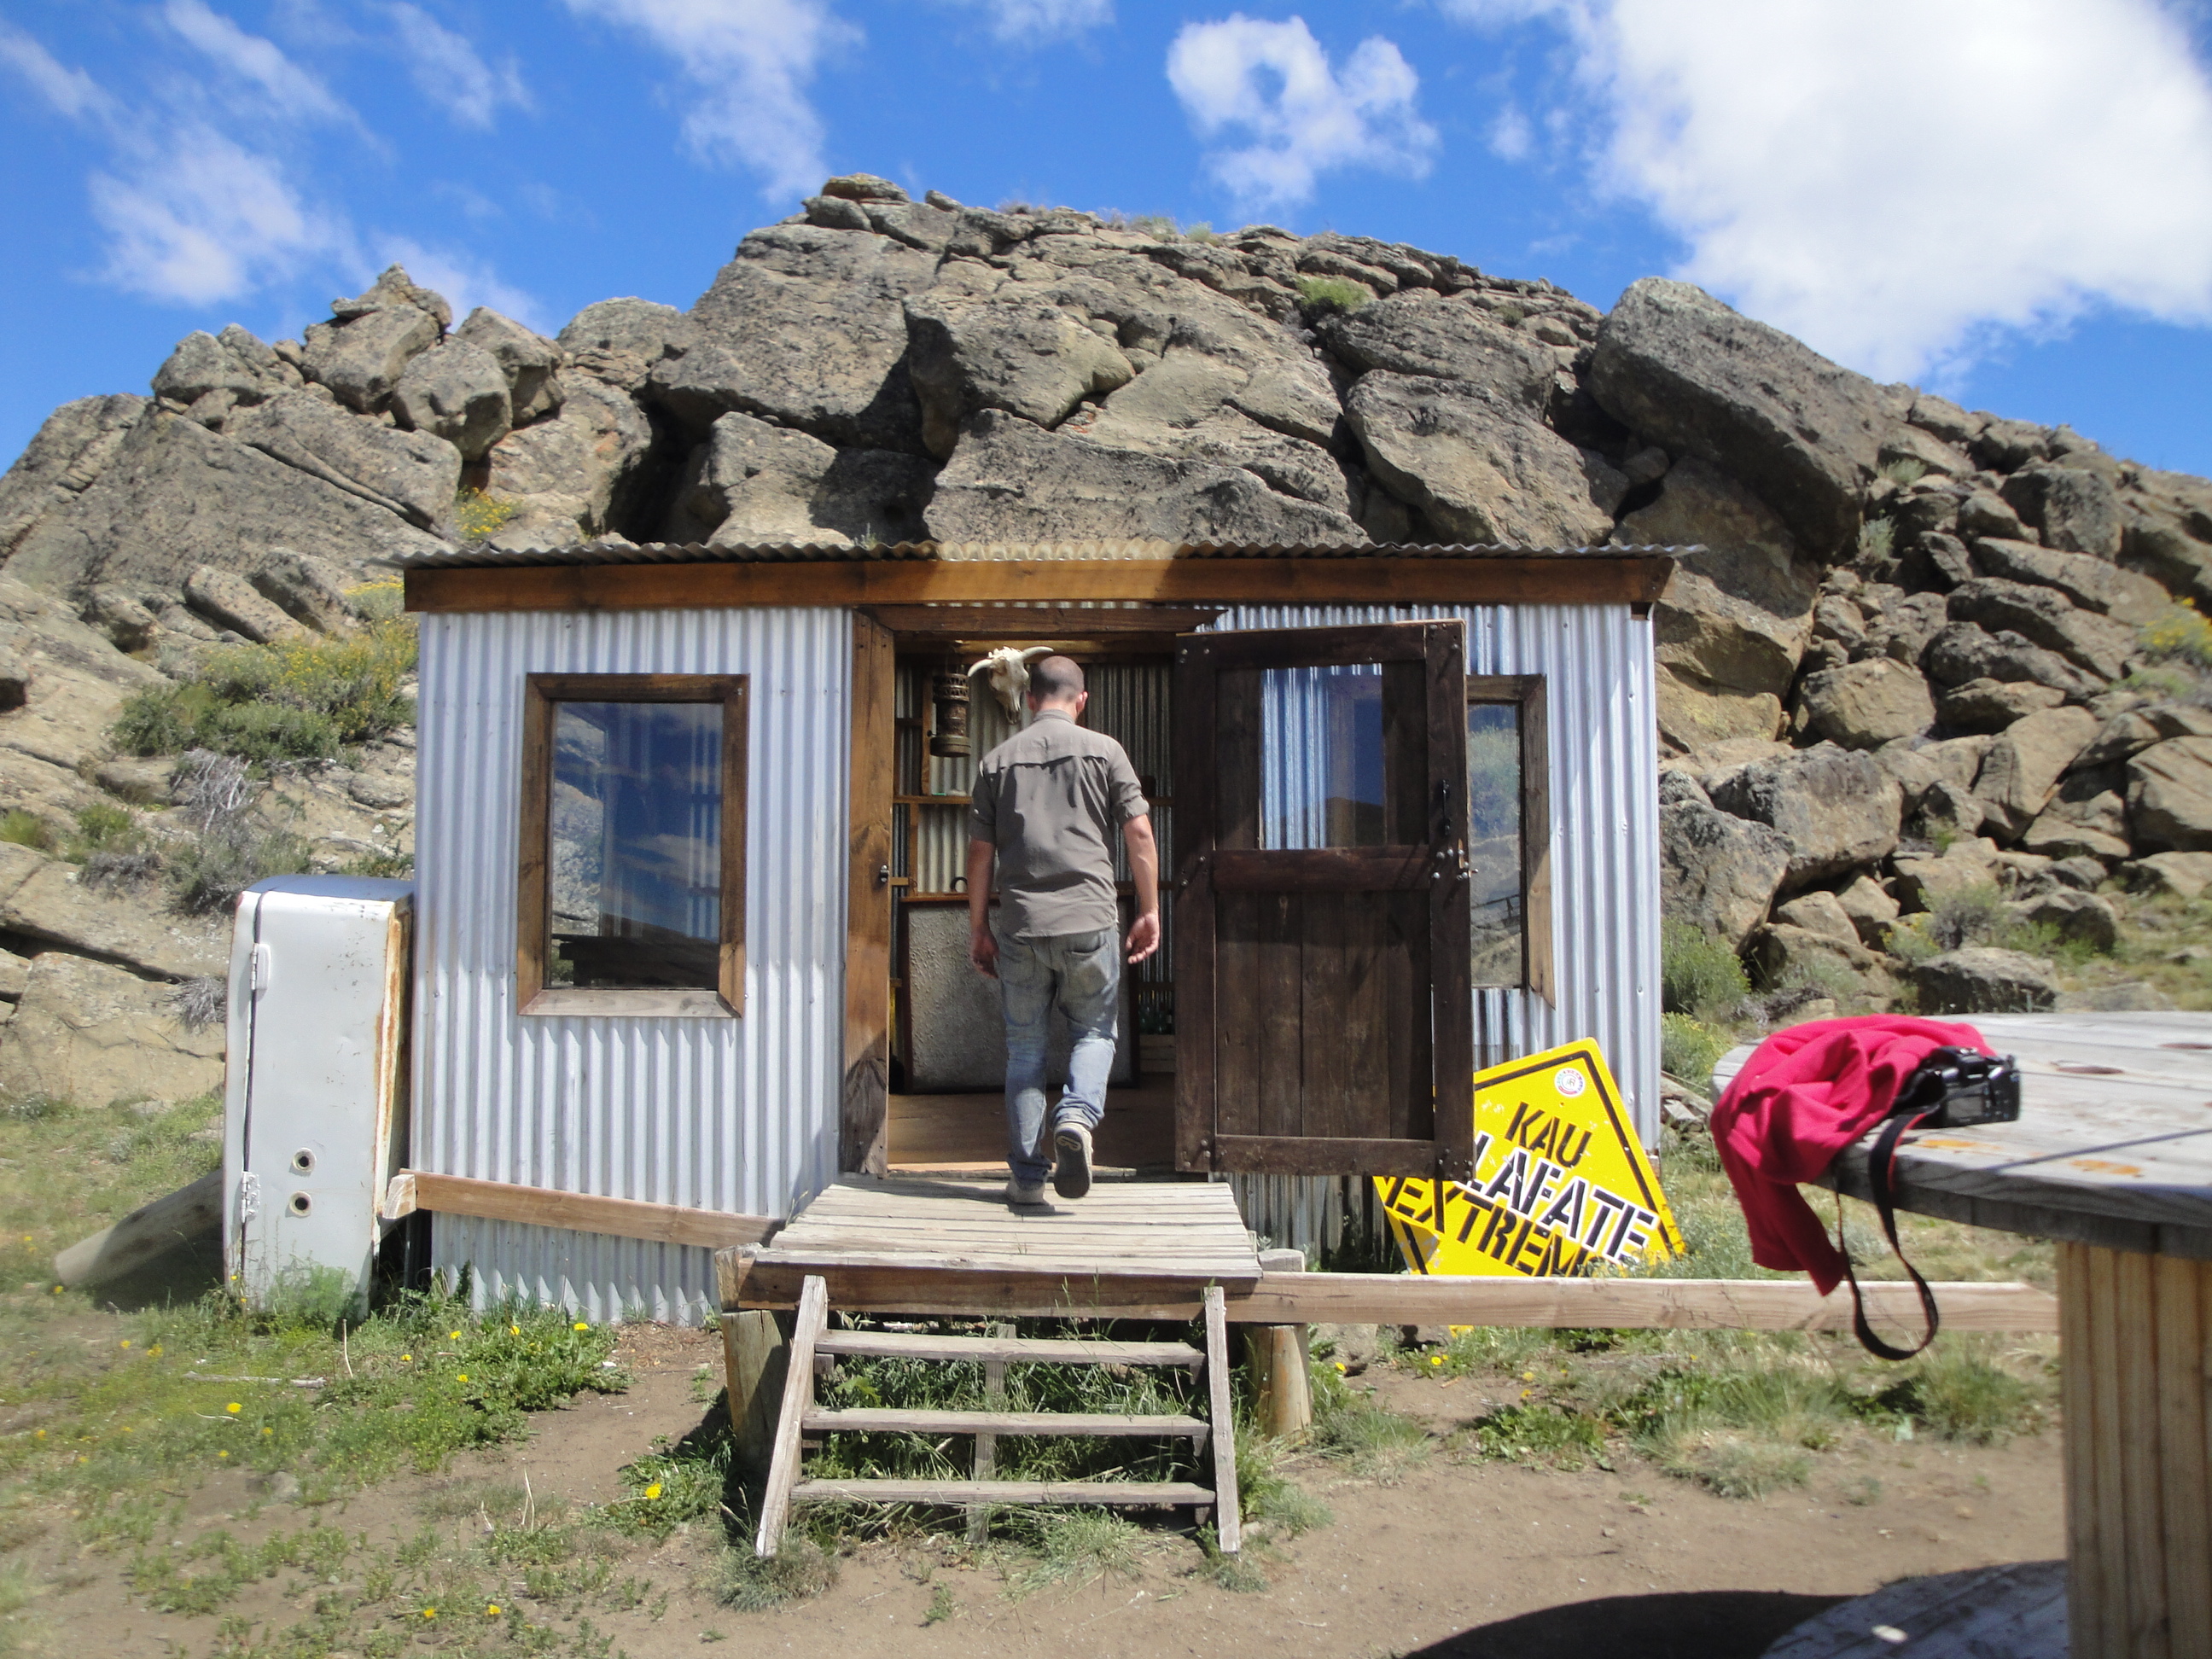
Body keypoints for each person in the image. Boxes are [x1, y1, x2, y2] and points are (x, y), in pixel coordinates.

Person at [966, 655, 1160, 1208]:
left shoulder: (996, 762)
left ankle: (1028, 1180)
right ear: (1082, 700)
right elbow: (1139, 835)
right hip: (1089, 921)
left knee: (1025, 1050)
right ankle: (1075, 1118)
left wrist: (978, 928)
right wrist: (1150, 910)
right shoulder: (1106, 751)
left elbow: (980, 853)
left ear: (1030, 700)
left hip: (1022, 926)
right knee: (1094, 1033)